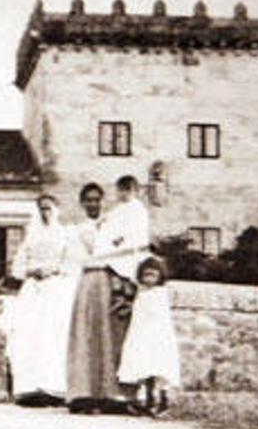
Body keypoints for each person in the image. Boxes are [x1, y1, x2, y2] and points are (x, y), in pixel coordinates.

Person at [67, 176, 151, 414]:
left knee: (112, 335)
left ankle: (114, 394)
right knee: (89, 335)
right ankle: (85, 392)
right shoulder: (78, 229)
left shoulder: (120, 218)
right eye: (88, 201)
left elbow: (132, 244)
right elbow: (78, 258)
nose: (93, 205)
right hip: (90, 280)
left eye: (97, 200)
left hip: (111, 277)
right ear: (82, 203)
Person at [9, 193, 79, 406]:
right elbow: (16, 268)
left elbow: (74, 264)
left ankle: (55, 389)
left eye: (48, 208)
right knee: (29, 336)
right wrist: (33, 270)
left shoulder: (66, 235)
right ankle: (29, 389)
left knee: (54, 337)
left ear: (56, 210)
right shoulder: (31, 236)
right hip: (33, 290)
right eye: (41, 209)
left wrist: (53, 269)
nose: (45, 213)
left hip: (57, 289)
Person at [117, 257, 180, 416]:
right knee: (143, 366)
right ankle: (147, 399)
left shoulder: (161, 293)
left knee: (160, 366)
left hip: (158, 334)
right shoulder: (140, 291)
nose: (149, 279)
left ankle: (163, 400)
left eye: (153, 275)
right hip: (141, 333)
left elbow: (159, 316)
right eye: (146, 275)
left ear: (160, 276)